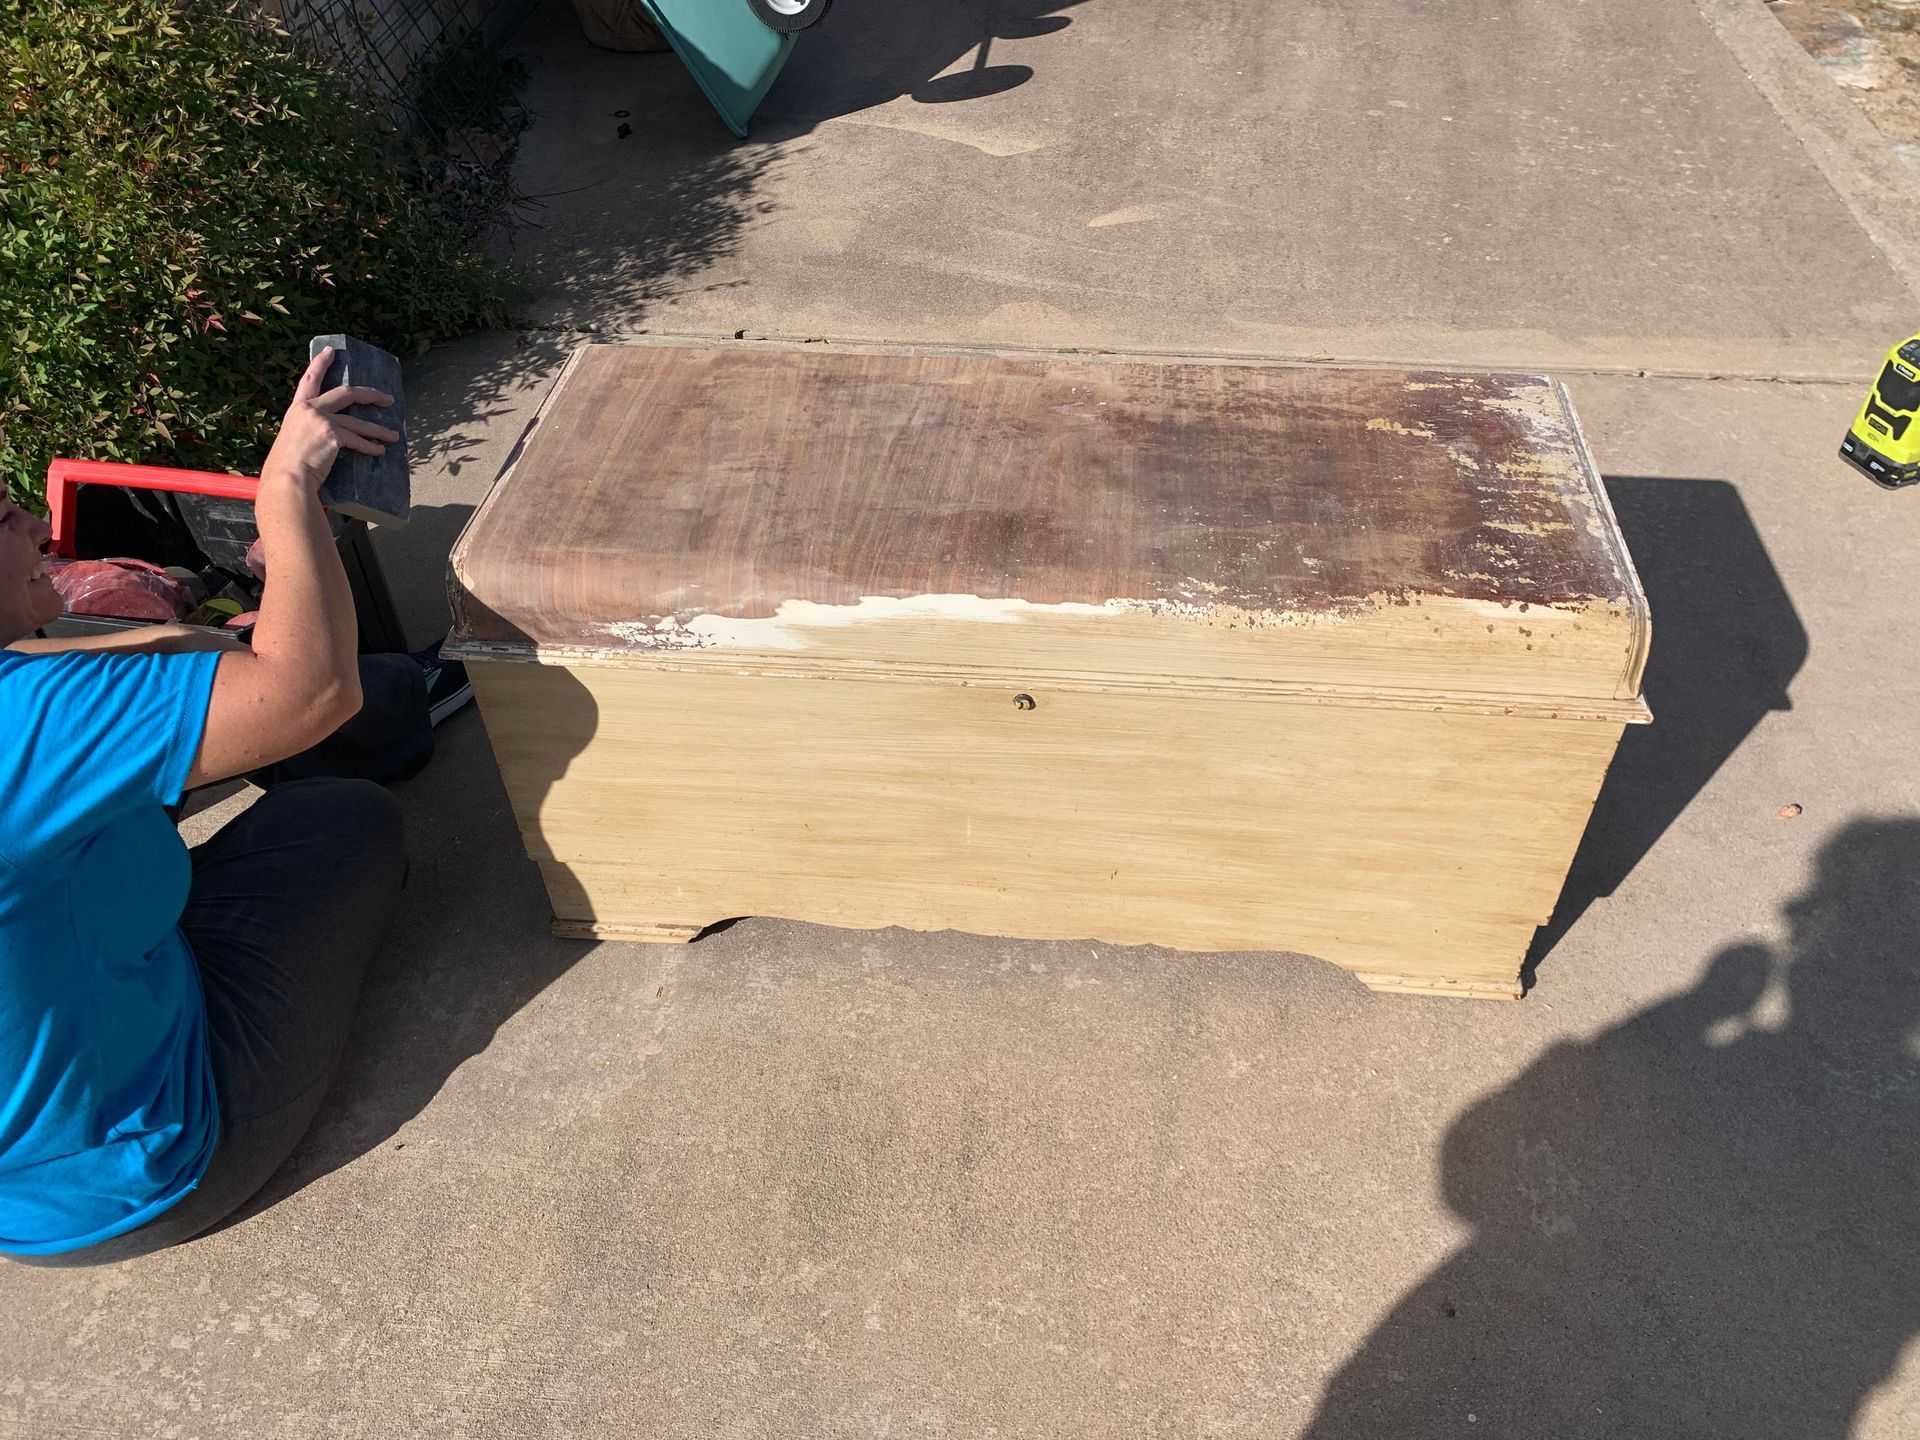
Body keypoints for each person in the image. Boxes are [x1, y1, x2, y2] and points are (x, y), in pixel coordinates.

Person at [0, 347, 461, 1264]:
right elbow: (311, 691)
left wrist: (175, 642)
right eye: (2, 516)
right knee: (342, 815)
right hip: (143, 1157)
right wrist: (286, 489)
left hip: (28, 1160)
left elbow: (52, 682)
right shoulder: (23, 730)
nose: (33, 527)